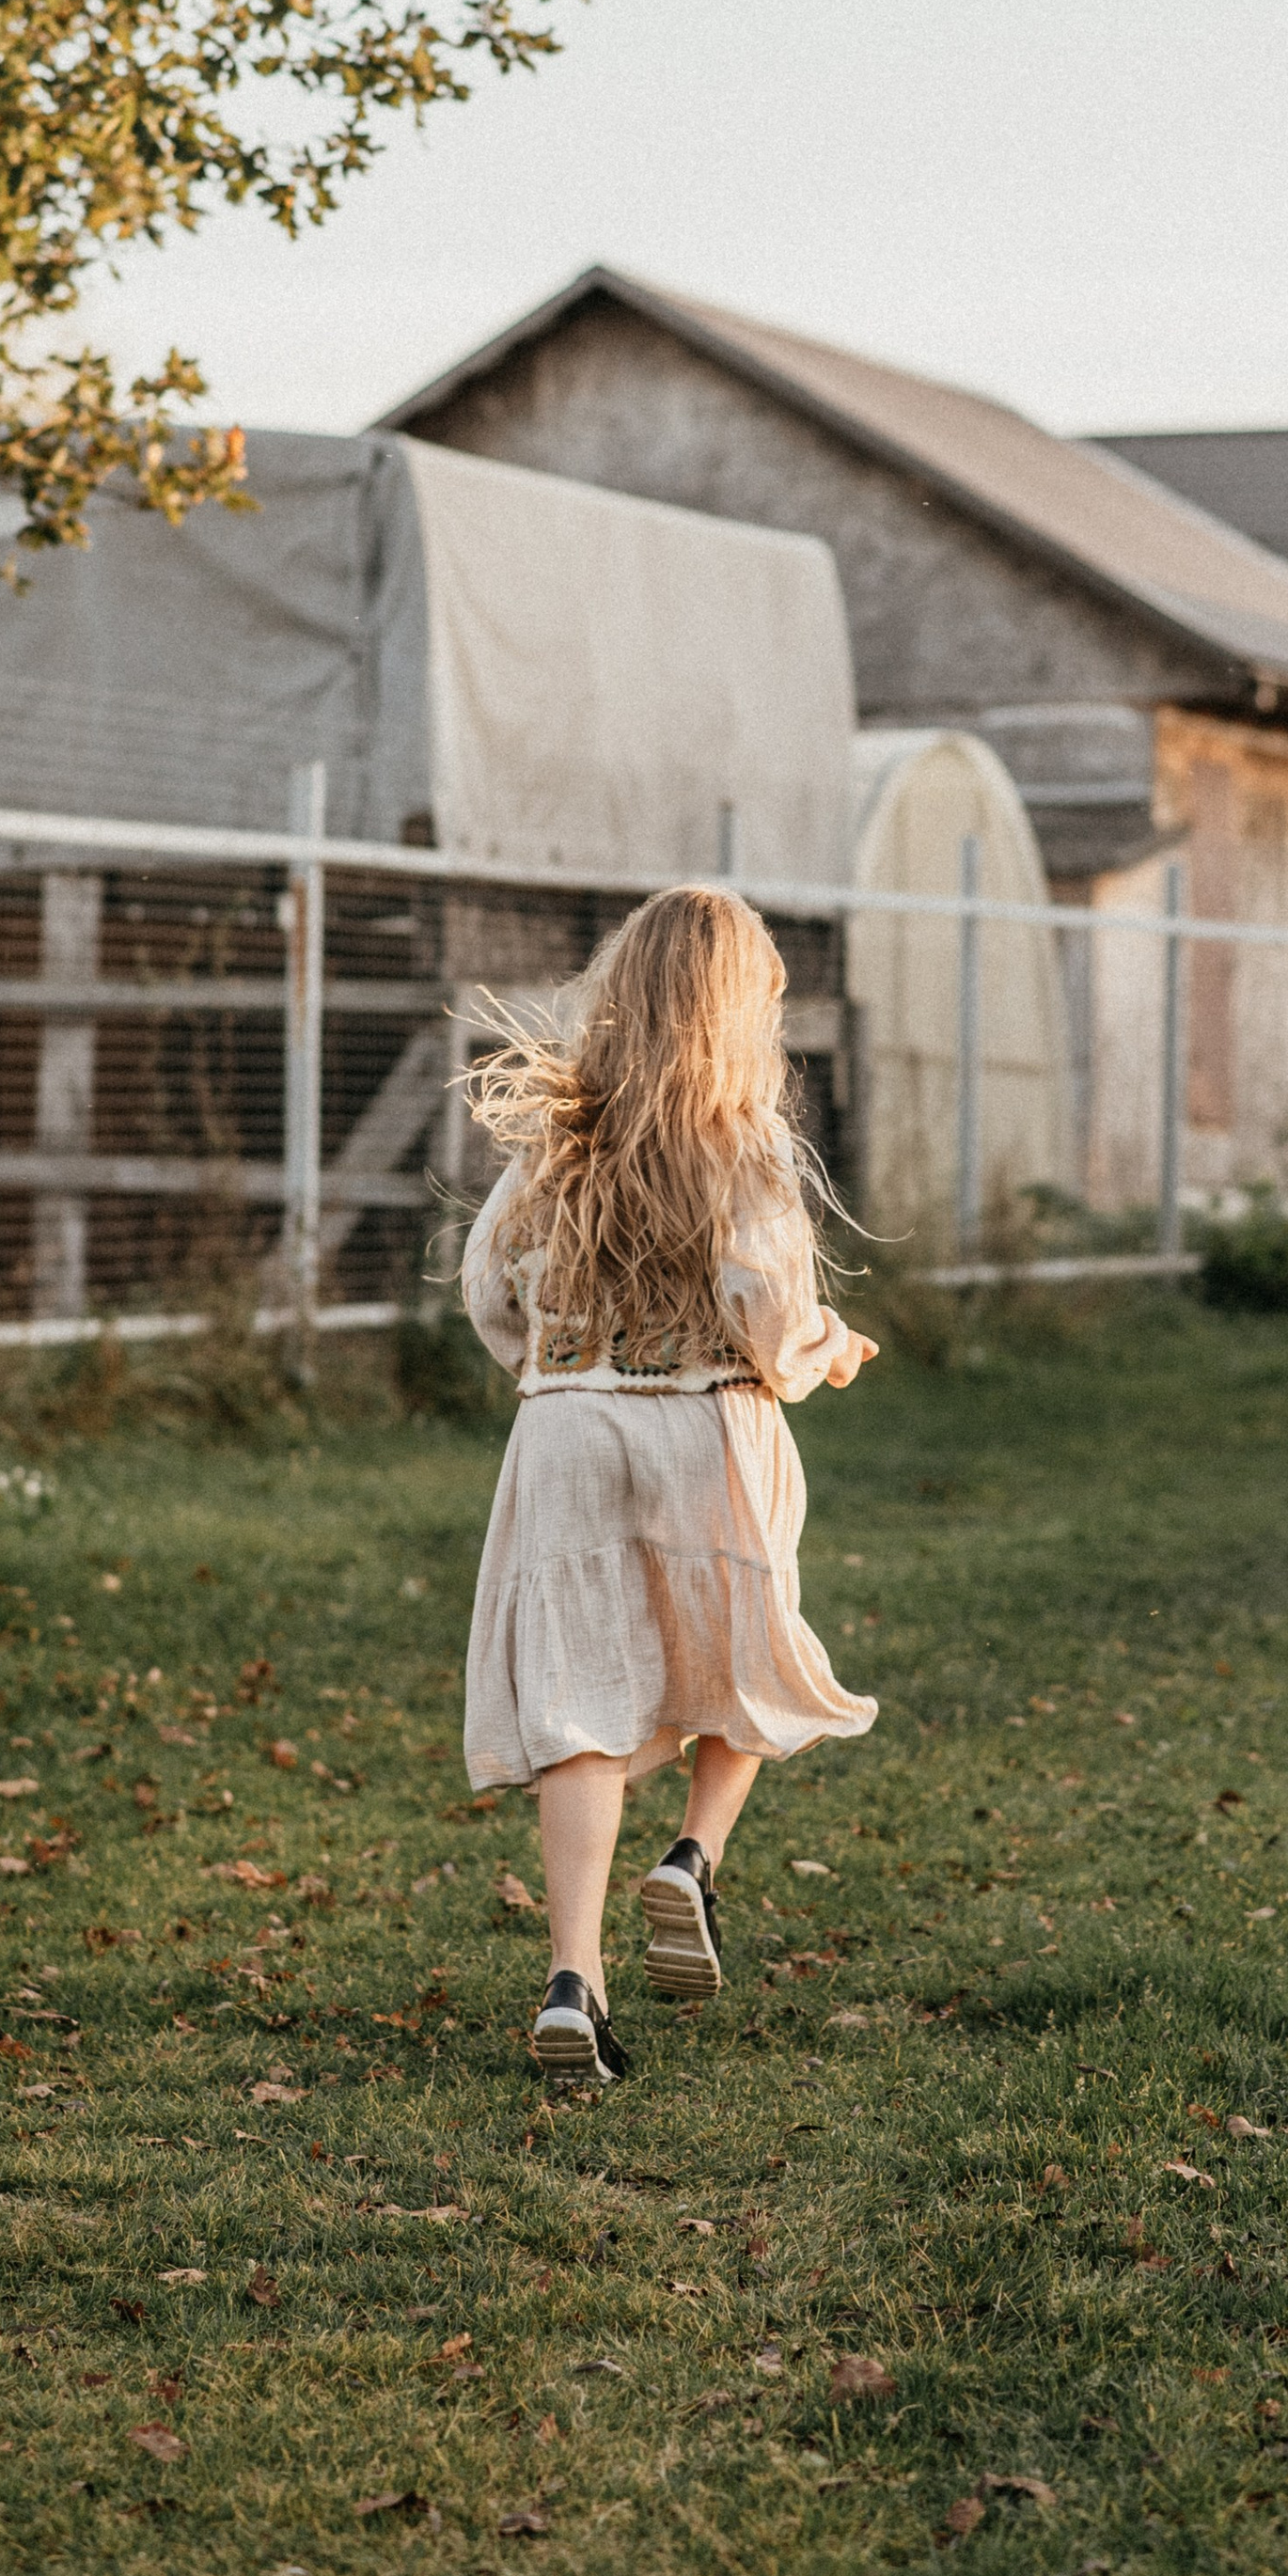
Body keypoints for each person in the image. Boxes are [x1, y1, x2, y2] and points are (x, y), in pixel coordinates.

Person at [457, 884, 880, 2095]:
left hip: (569, 1434)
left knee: (581, 1706)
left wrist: (560, 1376)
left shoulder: (558, 1142)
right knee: (744, 1651)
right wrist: (825, 1351)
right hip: (707, 1424)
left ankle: (572, 1984)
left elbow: (492, 1291)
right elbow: (772, 1315)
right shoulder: (741, 1150)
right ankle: (693, 1859)